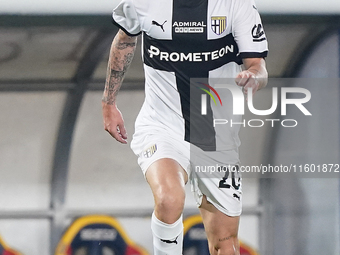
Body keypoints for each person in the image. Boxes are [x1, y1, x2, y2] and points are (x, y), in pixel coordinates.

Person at [102, 0, 268, 254]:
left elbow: (258, 66)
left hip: (215, 135)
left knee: (225, 245)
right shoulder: (144, 3)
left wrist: (253, 77)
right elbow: (124, 40)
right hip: (163, 125)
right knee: (169, 199)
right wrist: (108, 102)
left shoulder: (236, 4)